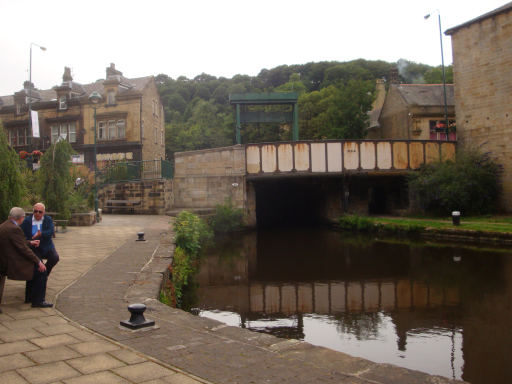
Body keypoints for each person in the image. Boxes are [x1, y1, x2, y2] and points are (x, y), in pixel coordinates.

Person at [0, 207, 51, 312]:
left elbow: (18, 242)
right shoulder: (14, 229)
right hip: (9, 261)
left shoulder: (5, 225)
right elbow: (23, 249)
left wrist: (30, 242)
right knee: (41, 271)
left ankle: (29, 297)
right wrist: (38, 261)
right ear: (20, 218)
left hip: (4, 259)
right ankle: (38, 301)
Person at [21, 203, 59, 304]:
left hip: (46, 246)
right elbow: (22, 235)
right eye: (35, 211)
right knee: (39, 267)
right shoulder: (27, 221)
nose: (37, 213)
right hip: (34, 248)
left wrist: (41, 233)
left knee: (55, 257)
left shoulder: (48, 219)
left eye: (40, 212)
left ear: (44, 212)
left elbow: (50, 232)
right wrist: (30, 241)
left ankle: (43, 277)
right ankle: (33, 294)